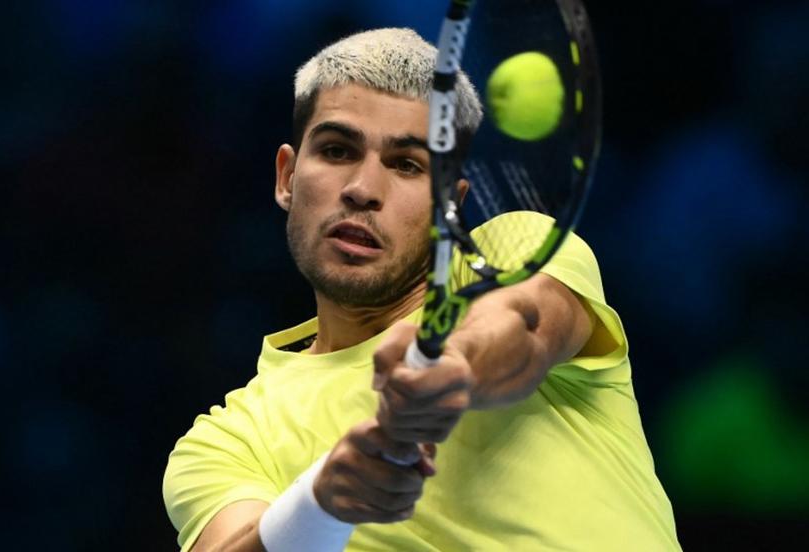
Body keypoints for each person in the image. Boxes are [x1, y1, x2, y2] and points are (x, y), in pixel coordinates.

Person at [163, 28, 680, 551]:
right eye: (338, 150)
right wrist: (321, 504)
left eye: (407, 164)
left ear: (450, 204)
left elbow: (524, 325)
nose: (362, 190)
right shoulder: (228, 439)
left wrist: (454, 368)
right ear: (287, 177)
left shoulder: (512, 249)